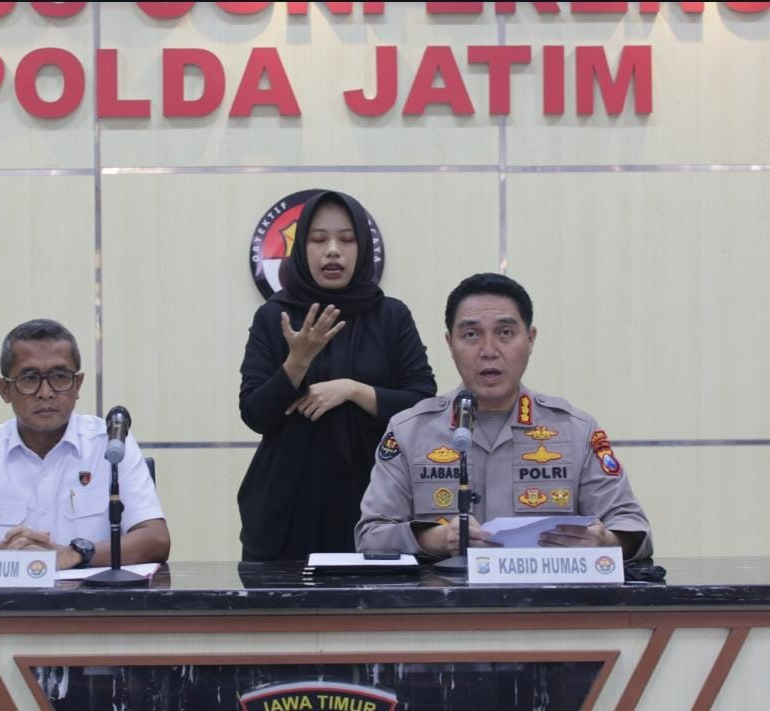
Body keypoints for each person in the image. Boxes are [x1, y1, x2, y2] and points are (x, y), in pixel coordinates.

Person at [355, 273, 652, 561]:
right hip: (445, 594)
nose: (489, 351)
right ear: (450, 343)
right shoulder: (410, 431)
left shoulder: (575, 430)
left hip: (544, 594)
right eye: (471, 335)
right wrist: (437, 539)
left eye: (505, 333)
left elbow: (634, 529)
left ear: (530, 339)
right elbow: (370, 535)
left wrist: (603, 541)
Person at [238, 189, 437, 561]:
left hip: (377, 500)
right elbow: (254, 414)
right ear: (302, 248)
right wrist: (297, 361)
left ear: (362, 248)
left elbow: (423, 406)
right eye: (318, 240)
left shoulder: (391, 316)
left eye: (346, 239)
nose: (332, 251)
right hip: (287, 507)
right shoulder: (275, 316)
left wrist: (352, 390)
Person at [0, 319, 170, 569]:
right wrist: (3, 555)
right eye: (29, 379)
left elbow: (156, 539)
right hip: (1, 604)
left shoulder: (110, 443)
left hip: (91, 604)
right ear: (4, 389)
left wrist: (74, 554)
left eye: (60, 377)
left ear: (77, 385)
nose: (46, 393)